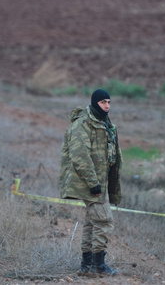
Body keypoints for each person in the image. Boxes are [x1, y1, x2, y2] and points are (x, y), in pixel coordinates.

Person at [59, 89, 122, 276]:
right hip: (88, 183)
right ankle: (98, 265)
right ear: (95, 103)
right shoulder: (82, 124)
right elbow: (80, 157)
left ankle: (86, 265)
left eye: (109, 102)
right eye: (103, 102)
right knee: (104, 220)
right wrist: (93, 183)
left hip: (99, 182)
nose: (107, 106)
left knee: (91, 222)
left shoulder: (105, 124)